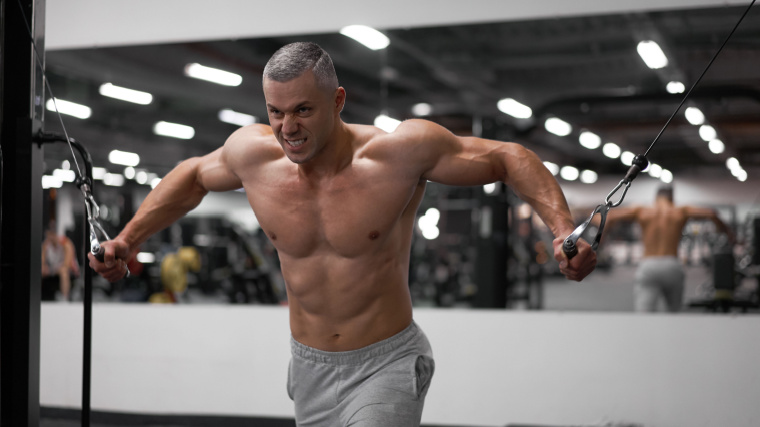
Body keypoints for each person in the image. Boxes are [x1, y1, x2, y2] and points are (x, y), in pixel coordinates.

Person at [89, 42, 596, 426]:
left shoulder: (397, 154)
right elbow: (194, 176)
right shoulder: (253, 157)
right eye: (275, 111)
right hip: (307, 366)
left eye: (303, 110)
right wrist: (128, 241)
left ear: (338, 100)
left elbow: (508, 157)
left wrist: (561, 231)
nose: (287, 127)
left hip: (386, 362)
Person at [602, 186, 734, 312]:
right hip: (672, 264)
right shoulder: (681, 210)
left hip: (648, 265)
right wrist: (729, 235)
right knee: (673, 313)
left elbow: (611, 217)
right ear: (672, 197)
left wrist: (601, 241)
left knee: (644, 313)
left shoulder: (642, 210)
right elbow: (712, 213)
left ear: (656, 196)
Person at [41, 220, 79, 301]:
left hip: (69, 271)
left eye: (53, 234)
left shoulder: (66, 243)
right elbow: (42, 261)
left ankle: (65, 298)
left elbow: (67, 264)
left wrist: (54, 270)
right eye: (49, 234)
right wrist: (45, 267)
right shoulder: (46, 245)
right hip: (53, 269)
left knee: (63, 271)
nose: (51, 237)